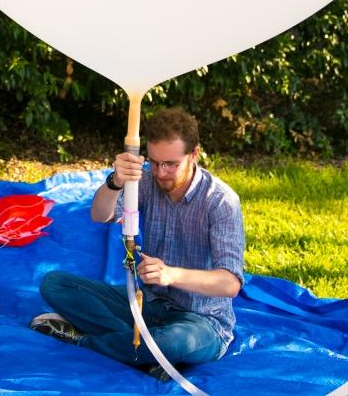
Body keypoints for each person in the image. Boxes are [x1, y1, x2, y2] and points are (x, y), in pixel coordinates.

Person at [30, 107, 245, 377]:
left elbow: (230, 283)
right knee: (55, 284)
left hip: (202, 320)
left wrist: (170, 274)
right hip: (148, 303)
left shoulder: (220, 201)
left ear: (194, 155)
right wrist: (115, 181)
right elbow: (100, 214)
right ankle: (141, 348)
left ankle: (84, 339)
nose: (161, 172)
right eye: (154, 162)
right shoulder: (147, 181)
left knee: (173, 341)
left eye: (171, 164)